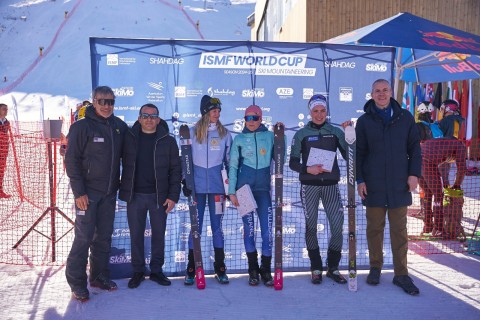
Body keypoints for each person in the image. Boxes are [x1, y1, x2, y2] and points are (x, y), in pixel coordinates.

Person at [356, 79, 422, 296]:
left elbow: (414, 148)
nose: (382, 94)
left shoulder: (405, 118)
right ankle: (375, 267)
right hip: (374, 184)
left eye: (385, 90)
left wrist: (414, 174)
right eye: (377, 91)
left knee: (399, 231)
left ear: (391, 92)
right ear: (372, 94)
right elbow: (360, 153)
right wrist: (360, 180)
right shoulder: (364, 121)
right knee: (374, 229)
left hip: (399, 184)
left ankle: (401, 273)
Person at [64, 86, 128, 301]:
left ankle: (98, 276)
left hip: (109, 194)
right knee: (83, 238)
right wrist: (79, 192)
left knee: (103, 239)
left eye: (111, 102)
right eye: (102, 102)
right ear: (93, 101)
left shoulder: (118, 126)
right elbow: (71, 161)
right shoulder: (81, 127)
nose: (107, 106)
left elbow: (135, 145)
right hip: (87, 195)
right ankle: (77, 283)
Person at [119, 103, 181, 289]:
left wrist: (173, 196)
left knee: (159, 236)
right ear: (139, 118)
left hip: (158, 197)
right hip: (134, 196)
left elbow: (176, 170)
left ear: (158, 119)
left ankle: (156, 270)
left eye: (153, 116)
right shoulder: (128, 138)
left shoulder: (168, 140)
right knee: (136, 235)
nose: (149, 119)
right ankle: (137, 271)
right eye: (145, 116)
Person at [289, 94, 349, 285]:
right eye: (316, 111)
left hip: (331, 185)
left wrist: (349, 136)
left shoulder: (335, 132)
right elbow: (292, 162)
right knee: (311, 227)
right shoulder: (301, 134)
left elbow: (350, 156)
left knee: (338, 227)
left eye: (323, 111)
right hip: (310, 186)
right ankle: (316, 267)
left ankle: (333, 267)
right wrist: (308, 169)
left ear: (326, 112)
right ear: (310, 112)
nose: (319, 114)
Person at [228, 105, 284, 287]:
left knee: (268, 232)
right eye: (248, 118)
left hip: (262, 190)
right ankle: (253, 270)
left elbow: (280, 156)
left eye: (255, 118)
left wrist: (280, 134)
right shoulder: (239, 139)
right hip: (244, 190)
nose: (251, 122)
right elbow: (233, 166)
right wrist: (231, 192)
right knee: (249, 229)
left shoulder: (268, 136)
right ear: (244, 119)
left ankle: (265, 269)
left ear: (261, 119)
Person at [182, 95, 232, 285]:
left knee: (217, 228)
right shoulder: (193, 133)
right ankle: (191, 268)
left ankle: (220, 268)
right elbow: (185, 160)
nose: (217, 114)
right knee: (196, 228)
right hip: (197, 189)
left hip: (218, 189)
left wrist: (230, 187)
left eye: (218, 111)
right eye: (213, 111)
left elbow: (229, 162)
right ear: (205, 112)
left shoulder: (225, 134)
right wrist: (185, 182)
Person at [420, 137, 466, 238]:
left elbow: (439, 166)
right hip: (427, 161)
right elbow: (462, 169)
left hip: (416, 159)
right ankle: (438, 229)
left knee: (427, 194)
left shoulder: (443, 143)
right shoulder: (460, 147)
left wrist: (445, 182)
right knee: (438, 195)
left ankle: (427, 226)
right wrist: (457, 185)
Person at [438, 99, 465, 186]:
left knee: (443, 172)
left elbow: (438, 136)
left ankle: (446, 187)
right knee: (461, 170)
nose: (441, 111)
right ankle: (456, 187)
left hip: (445, 151)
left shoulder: (444, 121)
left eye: (442, 108)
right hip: (458, 149)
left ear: (448, 109)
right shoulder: (460, 120)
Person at [0, 103, 11, 199]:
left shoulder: (7, 122)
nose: (6, 111)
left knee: (1, 171)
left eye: (6, 109)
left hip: (3, 150)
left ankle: (0, 190)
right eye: (4, 109)